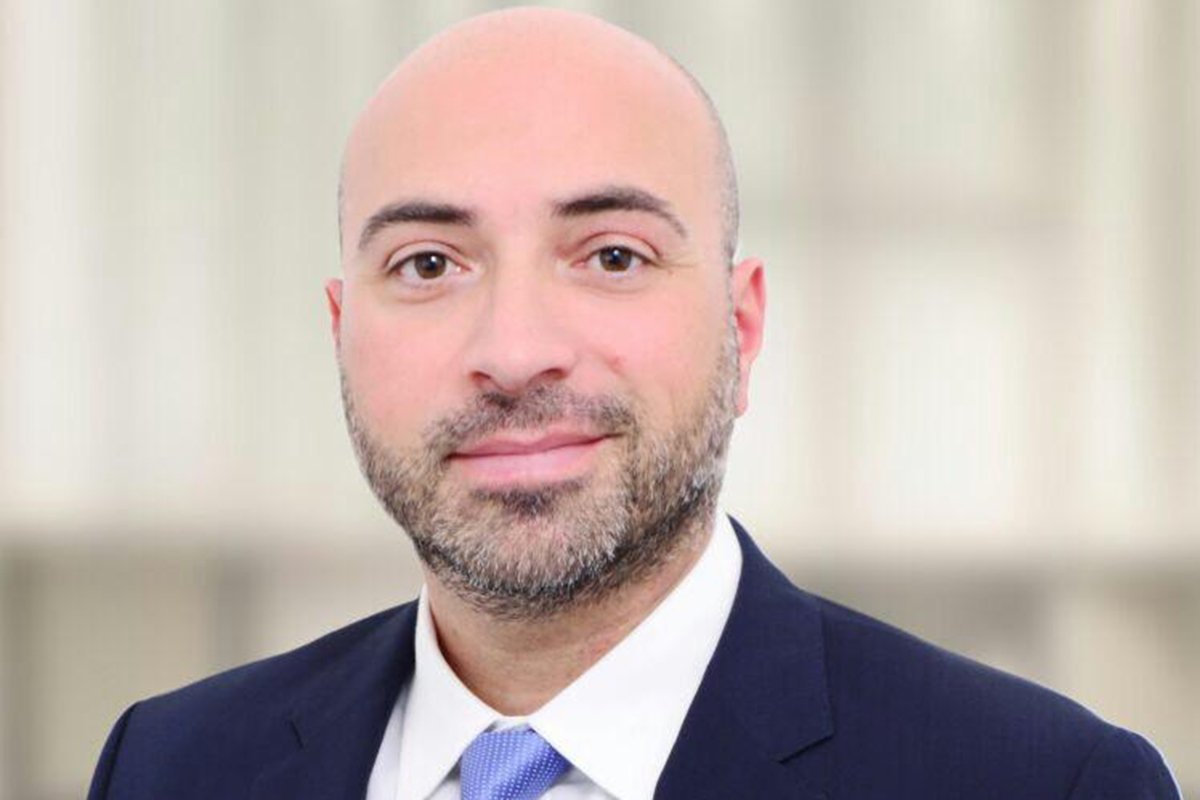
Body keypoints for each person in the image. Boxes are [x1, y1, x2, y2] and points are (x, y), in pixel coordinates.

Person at [87, 8, 1181, 800]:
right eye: (428, 264)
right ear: (340, 331)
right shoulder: (170, 767)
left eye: (613, 254)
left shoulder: (1042, 781)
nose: (515, 353)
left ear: (742, 328)